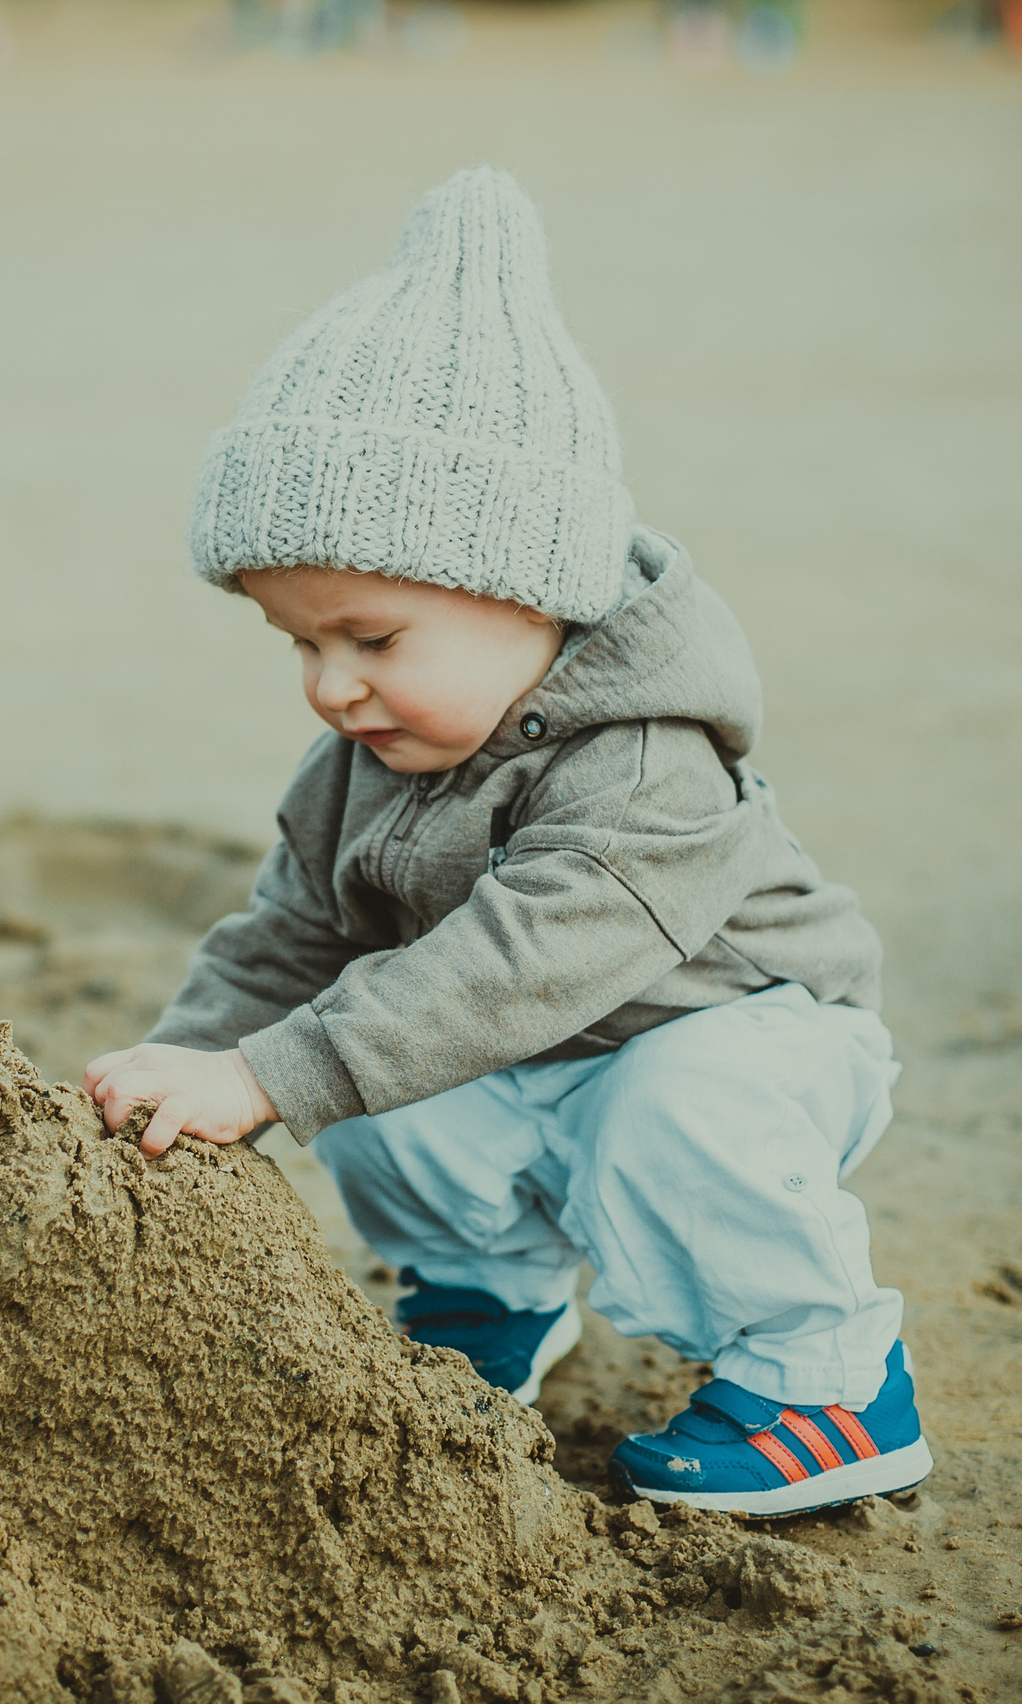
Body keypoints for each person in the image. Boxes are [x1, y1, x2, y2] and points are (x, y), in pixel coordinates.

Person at [82, 166, 930, 1518]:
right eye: (297, 640)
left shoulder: (648, 759)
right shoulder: (357, 762)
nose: (329, 684)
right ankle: (492, 1294)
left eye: (372, 638)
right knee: (366, 1066)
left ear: (533, 589)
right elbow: (291, 936)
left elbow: (519, 963)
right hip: (534, 1054)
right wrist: (194, 1066)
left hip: (739, 1038)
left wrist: (281, 1070)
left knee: (664, 1112)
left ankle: (823, 1377)